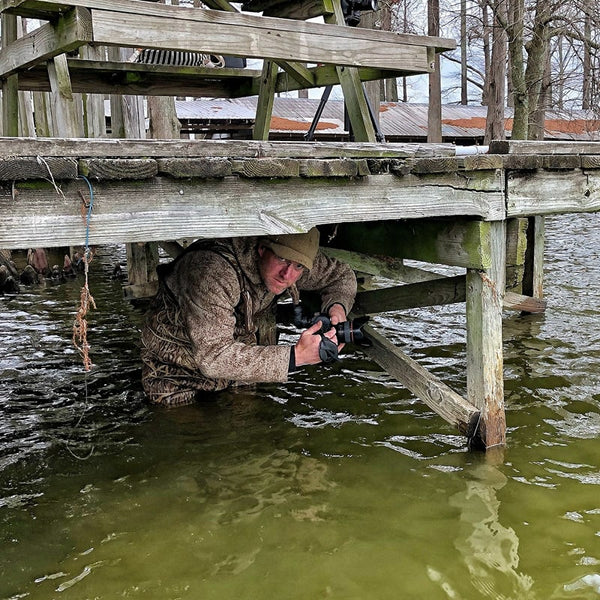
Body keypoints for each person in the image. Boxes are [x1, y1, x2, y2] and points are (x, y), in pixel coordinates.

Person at [140, 227, 357, 406]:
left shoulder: (294, 258)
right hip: (176, 375)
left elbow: (342, 276)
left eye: (298, 266)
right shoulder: (213, 270)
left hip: (238, 374)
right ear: (262, 249)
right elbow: (213, 357)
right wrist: (296, 356)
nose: (288, 275)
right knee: (191, 444)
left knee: (255, 436)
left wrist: (337, 309)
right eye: (282, 260)